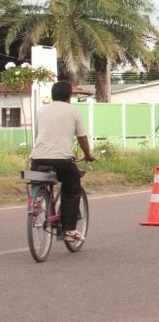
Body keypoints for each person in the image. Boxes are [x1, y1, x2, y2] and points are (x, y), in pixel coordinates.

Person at [30, 80, 96, 243]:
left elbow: (39, 134)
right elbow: (82, 138)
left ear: (53, 95)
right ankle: (70, 231)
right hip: (62, 160)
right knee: (72, 189)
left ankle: (37, 199)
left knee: (38, 178)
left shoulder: (41, 111)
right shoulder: (73, 111)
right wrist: (88, 155)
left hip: (38, 157)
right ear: (69, 96)